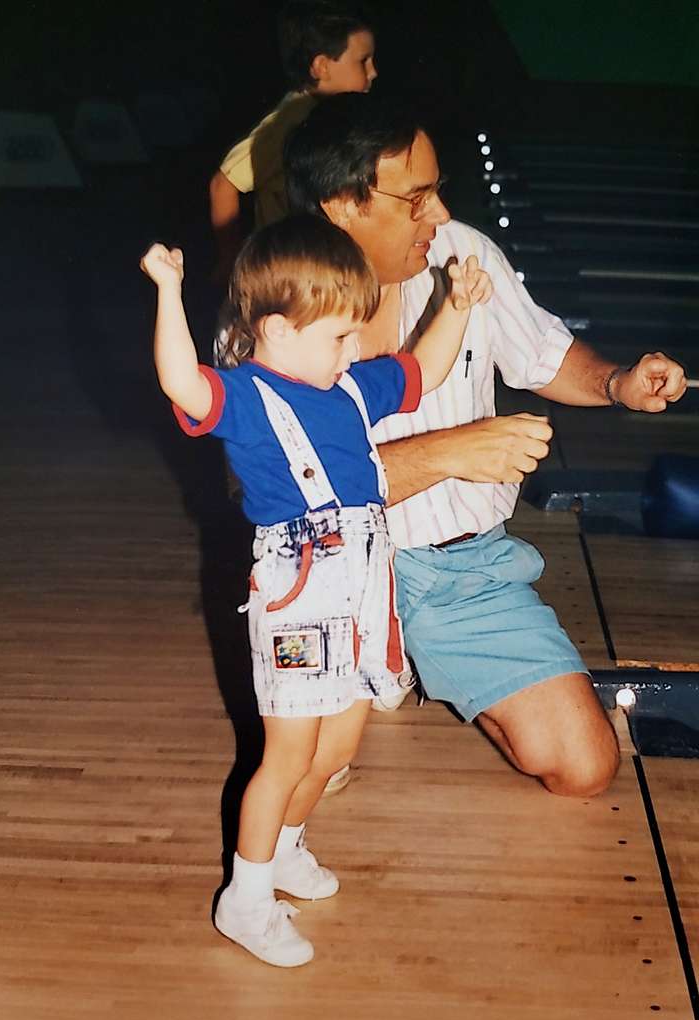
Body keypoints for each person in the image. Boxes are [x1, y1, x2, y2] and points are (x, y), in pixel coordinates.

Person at [283, 92, 688, 800]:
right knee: (303, 775)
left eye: (437, 191)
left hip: (458, 571)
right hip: (330, 580)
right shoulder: (273, 314)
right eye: (415, 199)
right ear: (342, 205)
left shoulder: (462, 253)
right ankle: (378, 653)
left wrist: (618, 382)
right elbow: (297, 495)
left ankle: (414, 651)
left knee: (584, 767)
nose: (437, 216)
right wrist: (454, 451)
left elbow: (543, 353)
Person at [140, 213, 492, 966]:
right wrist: (169, 290)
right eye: (339, 336)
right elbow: (178, 380)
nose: (355, 349)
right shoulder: (244, 399)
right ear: (274, 331)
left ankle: (289, 849)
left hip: (362, 587)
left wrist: (456, 307)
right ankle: (246, 895)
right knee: (288, 756)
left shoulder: (350, 387)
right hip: (300, 596)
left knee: (336, 748)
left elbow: (420, 371)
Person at [208, 0, 377, 288]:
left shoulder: (333, 116)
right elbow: (223, 183)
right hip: (287, 269)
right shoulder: (289, 120)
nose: (373, 72)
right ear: (321, 66)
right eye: (363, 61)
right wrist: (230, 257)